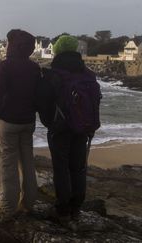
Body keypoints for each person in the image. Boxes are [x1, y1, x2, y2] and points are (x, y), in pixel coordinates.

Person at [36, 35, 101, 223]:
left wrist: (51, 123)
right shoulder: (88, 74)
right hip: (83, 127)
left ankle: (62, 210)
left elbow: (42, 102)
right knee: (78, 167)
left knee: (61, 168)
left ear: (57, 50)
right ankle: (76, 208)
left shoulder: (53, 73)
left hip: (61, 128)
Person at [0, 29, 41, 220]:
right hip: (27, 122)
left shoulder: (5, 66)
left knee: (7, 164)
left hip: (8, 122)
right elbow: (38, 95)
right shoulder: (34, 68)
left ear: (13, 45)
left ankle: (6, 207)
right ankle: (28, 203)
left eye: (8, 42)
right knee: (27, 162)